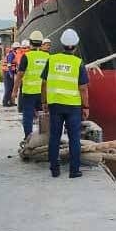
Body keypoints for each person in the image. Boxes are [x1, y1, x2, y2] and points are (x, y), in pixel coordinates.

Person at [41, 29, 89, 178]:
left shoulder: (52, 59)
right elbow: (83, 88)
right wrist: (86, 106)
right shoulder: (78, 63)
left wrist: (44, 102)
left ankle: (54, 169)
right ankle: (74, 171)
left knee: (54, 136)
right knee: (74, 138)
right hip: (73, 106)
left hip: (55, 104)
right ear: (75, 45)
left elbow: (44, 83)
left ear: (62, 43)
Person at [14, 30, 49, 140]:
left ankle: (28, 138)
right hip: (44, 93)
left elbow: (19, 75)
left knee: (28, 117)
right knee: (44, 115)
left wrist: (14, 91)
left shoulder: (26, 57)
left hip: (29, 92)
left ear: (30, 42)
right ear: (41, 42)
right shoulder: (48, 57)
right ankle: (44, 138)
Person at [2, 41, 18, 107]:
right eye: (17, 48)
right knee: (8, 88)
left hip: (10, 72)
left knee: (11, 88)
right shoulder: (11, 54)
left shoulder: (13, 54)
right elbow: (9, 64)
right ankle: (5, 102)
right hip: (8, 72)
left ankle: (11, 101)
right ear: (14, 48)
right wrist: (10, 73)